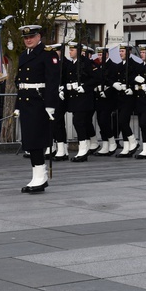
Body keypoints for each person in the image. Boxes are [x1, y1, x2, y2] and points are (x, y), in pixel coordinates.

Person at [15, 24, 60, 193]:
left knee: (37, 140)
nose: (28, 40)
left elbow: (53, 81)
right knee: (29, 141)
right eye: (26, 38)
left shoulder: (48, 54)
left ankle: (41, 177)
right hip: (27, 102)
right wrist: (18, 105)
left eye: (31, 37)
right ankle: (36, 175)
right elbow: (19, 82)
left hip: (39, 101)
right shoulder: (23, 55)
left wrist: (50, 104)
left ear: (39, 36)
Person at [63, 41, 96, 162]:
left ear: (78, 50)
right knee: (78, 122)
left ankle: (84, 149)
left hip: (84, 98)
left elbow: (95, 78)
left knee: (78, 122)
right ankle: (83, 148)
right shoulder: (72, 63)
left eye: (72, 50)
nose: (70, 52)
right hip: (74, 97)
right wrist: (66, 87)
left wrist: (84, 87)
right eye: (69, 50)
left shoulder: (86, 62)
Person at [113, 43, 141, 157]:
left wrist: (132, 90)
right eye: (120, 51)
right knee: (122, 122)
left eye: (122, 51)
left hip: (129, 98)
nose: (120, 53)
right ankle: (126, 146)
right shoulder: (120, 65)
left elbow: (138, 80)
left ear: (129, 52)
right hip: (120, 97)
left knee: (122, 121)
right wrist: (114, 84)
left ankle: (133, 142)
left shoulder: (134, 65)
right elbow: (114, 78)